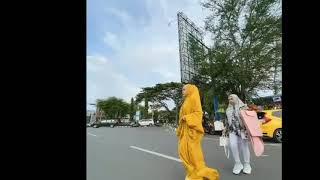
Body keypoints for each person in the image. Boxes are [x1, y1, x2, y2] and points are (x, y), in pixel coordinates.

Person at [176, 84, 219, 180]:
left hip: (192, 131)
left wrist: (187, 118)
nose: (182, 91)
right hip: (185, 131)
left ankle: (197, 174)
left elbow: (198, 113)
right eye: (182, 89)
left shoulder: (193, 99)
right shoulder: (185, 101)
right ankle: (192, 172)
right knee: (183, 151)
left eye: (184, 89)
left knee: (193, 153)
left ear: (190, 90)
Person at [223, 94, 252, 175]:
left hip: (242, 130)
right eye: (229, 99)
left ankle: (247, 164)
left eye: (231, 98)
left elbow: (249, 118)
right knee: (232, 145)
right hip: (232, 131)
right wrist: (225, 129)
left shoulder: (243, 107)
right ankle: (238, 163)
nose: (230, 100)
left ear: (236, 99)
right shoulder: (228, 110)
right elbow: (226, 121)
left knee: (244, 147)